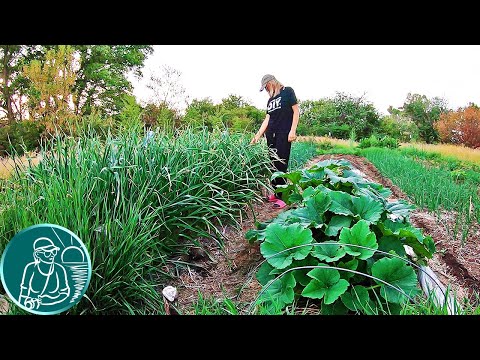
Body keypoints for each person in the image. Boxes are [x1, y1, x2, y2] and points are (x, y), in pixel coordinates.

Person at [250, 74, 299, 209]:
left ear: (271, 83)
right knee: (273, 164)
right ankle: (276, 193)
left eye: (266, 87)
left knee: (281, 164)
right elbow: (267, 119)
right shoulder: (270, 100)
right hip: (271, 135)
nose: (266, 90)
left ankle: (283, 197)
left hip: (284, 133)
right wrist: (258, 135)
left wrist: (292, 131)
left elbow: (296, 111)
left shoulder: (288, 91)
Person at [18, 237, 70, 310]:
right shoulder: (30, 268)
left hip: (56, 308)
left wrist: (50, 300)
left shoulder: (59, 269)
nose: (52, 255)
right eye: (47, 253)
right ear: (37, 254)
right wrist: (22, 307)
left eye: (54, 251)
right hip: (33, 308)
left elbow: (65, 293)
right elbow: (24, 291)